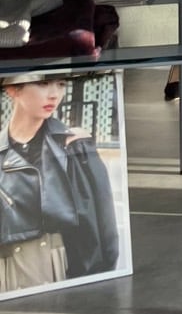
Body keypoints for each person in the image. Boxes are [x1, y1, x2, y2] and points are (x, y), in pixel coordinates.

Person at [0, 74, 118, 294]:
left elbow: (102, 225)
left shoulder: (74, 146)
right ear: (12, 88)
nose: (54, 94)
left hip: (58, 268)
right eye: (43, 83)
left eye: (61, 84)